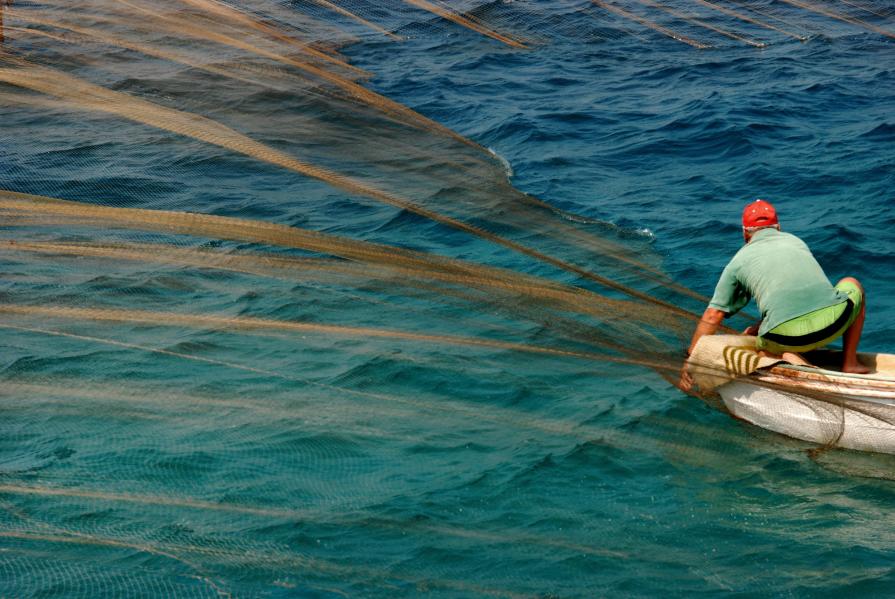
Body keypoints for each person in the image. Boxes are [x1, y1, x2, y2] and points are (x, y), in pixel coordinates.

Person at [680, 199, 868, 392]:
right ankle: (850, 362)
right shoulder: (796, 241)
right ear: (778, 227)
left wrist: (692, 359)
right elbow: (800, 297)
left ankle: (784, 356)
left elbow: (713, 315)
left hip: (788, 338)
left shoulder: (738, 261)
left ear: (745, 233)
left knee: (759, 346)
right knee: (853, 283)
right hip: (836, 323)